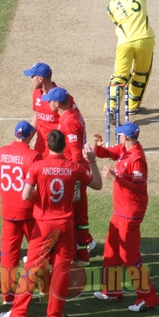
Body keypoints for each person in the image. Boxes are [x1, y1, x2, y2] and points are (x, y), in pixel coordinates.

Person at [0, 130, 102, 317]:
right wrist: (92, 161)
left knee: (31, 267)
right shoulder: (74, 168)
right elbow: (97, 184)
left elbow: (25, 195)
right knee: (62, 269)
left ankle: (19, 313)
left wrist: (41, 199)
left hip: (43, 225)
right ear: (64, 146)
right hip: (65, 225)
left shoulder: (37, 167)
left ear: (47, 145)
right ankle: (55, 316)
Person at [92, 122, 159, 312]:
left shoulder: (137, 158)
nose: (119, 137)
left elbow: (139, 187)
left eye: (120, 135)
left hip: (130, 214)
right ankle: (112, 290)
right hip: (119, 211)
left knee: (128, 256)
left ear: (127, 138)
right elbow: (103, 153)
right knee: (111, 251)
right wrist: (98, 146)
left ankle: (149, 298)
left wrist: (116, 179)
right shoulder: (123, 149)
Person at [0, 121, 42, 305]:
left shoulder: (2, 152)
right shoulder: (34, 155)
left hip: (8, 211)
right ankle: (44, 289)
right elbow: (39, 186)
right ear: (30, 136)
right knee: (39, 253)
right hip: (29, 213)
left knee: (8, 255)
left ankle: (7, 295)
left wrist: (6, 197)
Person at [43, 87, 94, 265]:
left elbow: (76, 154)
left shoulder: (69, 122)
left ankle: (75, 255)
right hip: (75, 173)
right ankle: (80, 255)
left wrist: (77, 183)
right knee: (78, 216)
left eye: (49, 100)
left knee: (71, 216)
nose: (47, 103)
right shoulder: (72, 114)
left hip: (73, 175)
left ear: (57, 103)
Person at [106, 0, 155, 114]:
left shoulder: (110, 6)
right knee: (141, 73)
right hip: (145, 38)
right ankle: (133, 106)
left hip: (125, 41)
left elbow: (118, 22)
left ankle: (111, 106)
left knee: (120, 75)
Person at [23, 62, 78, 157]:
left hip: (58, 148)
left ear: (40, 79)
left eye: (32, 76)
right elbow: (37, 115)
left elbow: (74, 120)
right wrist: (25, 141)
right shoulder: (36, 93)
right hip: (41, 148)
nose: (30, 79)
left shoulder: (62, 97)